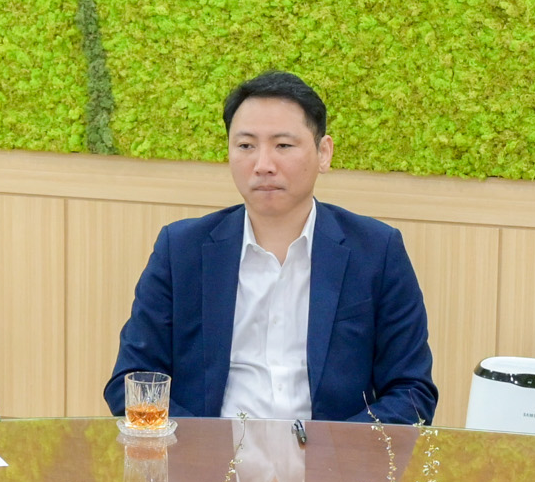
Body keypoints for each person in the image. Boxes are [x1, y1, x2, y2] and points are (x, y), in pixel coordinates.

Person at [106, 72, 434, 427]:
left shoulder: (376, 251)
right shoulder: (181, 250)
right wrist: (203, 448)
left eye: (283, 146)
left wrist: (332, 452)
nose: (263, 165)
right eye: (246, 146)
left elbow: (411, 392)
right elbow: (132, 382)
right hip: (209, 455)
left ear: (323, 153)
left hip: (331, 458)